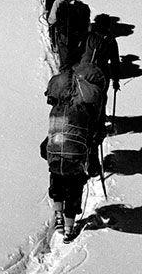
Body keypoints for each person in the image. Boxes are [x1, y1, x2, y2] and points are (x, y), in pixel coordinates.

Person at [45, 58, 105, 240]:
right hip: (75, 153)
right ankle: (70, 228)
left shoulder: (59, 101)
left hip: (55, 147)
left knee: (57, 178)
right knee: (74, 186)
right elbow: (93, 130)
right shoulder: (89, 97)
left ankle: (58, 216)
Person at [48, 0, 91, 69]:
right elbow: (87, 23)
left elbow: (52, 20)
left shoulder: (58, 2)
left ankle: (65, 73)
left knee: (64, 58)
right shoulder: (81, 5)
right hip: (78, 36)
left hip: (64, 35)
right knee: (76, 57)